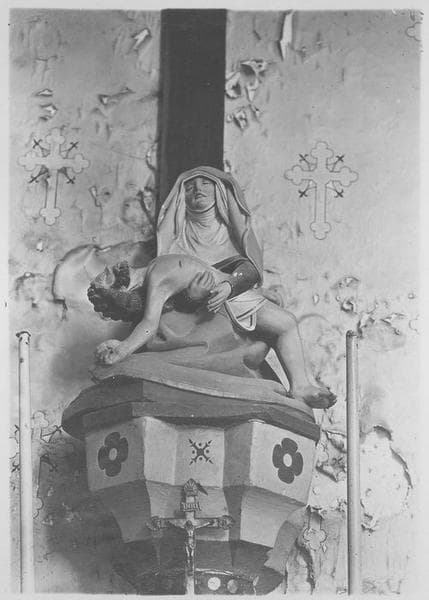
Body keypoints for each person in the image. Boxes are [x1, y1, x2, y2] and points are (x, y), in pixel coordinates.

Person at [93, 166, 336, 409]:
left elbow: (246, 270)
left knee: (282, 322)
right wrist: (191, 297)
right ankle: (300, 387)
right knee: (285, 323)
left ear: (220, 192)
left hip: (226, 298)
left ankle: (301, 386)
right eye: (189, 187)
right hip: (190, 318)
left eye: (206, 184)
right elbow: (153, 315)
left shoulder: (218, 240)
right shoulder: (166, 256)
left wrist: (231, 286)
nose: (197, 190)